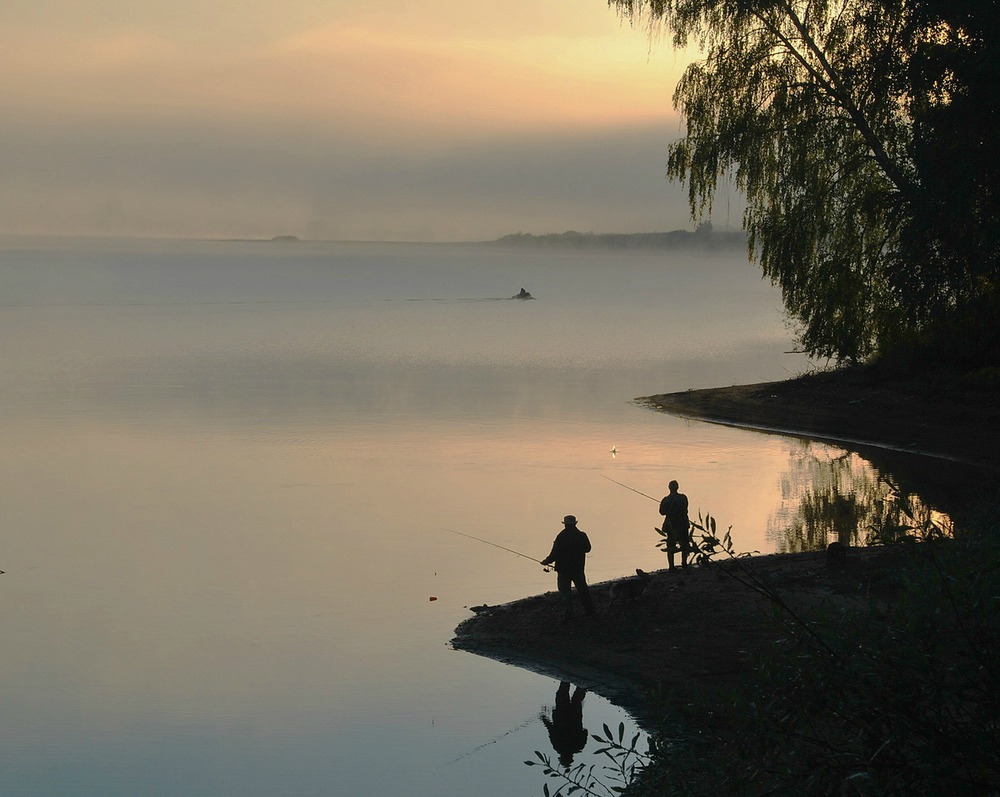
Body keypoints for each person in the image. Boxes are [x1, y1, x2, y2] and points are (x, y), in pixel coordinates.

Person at [541, 515, 595, 618]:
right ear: (575, 524)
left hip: (563, 570)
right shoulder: (581, 535)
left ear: (565, 524)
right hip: (578, 568)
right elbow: (588, 549)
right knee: (583, 591)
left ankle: (568, 613)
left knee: (565, 593)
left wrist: (546, 561)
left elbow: (555, 553)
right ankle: (590, 611)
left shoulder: (561, 536)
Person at [540, 681, 589, 767]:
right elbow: (551, 730)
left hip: (574, 717)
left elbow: (585, 732)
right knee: (562, 691)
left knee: (577, 698)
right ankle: (569, 675)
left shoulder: (579, 746)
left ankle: (582, 678)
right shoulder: (558, 746)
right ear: (561, 757)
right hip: (561, 714)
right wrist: (544, 719)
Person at [658, 480, 691, 570]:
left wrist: (668, 506)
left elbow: (661, 512)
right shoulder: (683, 497)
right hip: (682, 524)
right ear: (678, 487)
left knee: (670, 546)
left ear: (669, 488)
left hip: (671, 525)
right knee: (684, 544)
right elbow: (685, 509)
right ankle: (684, 563)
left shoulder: (665, 500)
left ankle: (671, 566)